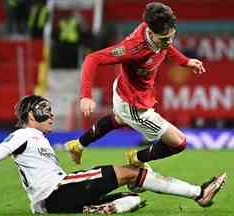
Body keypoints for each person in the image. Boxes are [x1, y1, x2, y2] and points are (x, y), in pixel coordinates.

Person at [0, 95, 226, 214]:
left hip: (51, 202)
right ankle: (198, 193)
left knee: (131, 199)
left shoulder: (36, 139)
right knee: (132, 173)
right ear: (31, 114)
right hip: (55, 192)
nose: (51, 114)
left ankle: (91, 210)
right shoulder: (23, 135)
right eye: (45, 110)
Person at [65, 2, 206, 166]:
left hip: (128, 90)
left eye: (172, 36)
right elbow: (92, 58)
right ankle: (136, 159)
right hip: (132, 103)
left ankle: (78, 145)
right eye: (164, 39)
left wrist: (185, 61)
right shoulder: (132, 49)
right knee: (179, 142)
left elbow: (166, 48)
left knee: (117, 119)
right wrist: (86, 96)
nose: (169, 41)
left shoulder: (156, 29)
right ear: (151, 33)